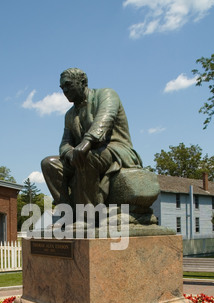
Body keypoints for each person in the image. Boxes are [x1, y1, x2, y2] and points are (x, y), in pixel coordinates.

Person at [41, 68, 143, 211]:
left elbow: (105, 119)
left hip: (117, 150)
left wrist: (86, 143)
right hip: (84, 153)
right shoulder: (69, 115)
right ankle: (68, 213)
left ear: (83, 82)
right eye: (62, 87)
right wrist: (69, 152)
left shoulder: (106, 94)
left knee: (86, 156)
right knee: (48, 164)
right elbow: (65, 143)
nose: (64, 90)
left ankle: (89, 216)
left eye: (68, 85)